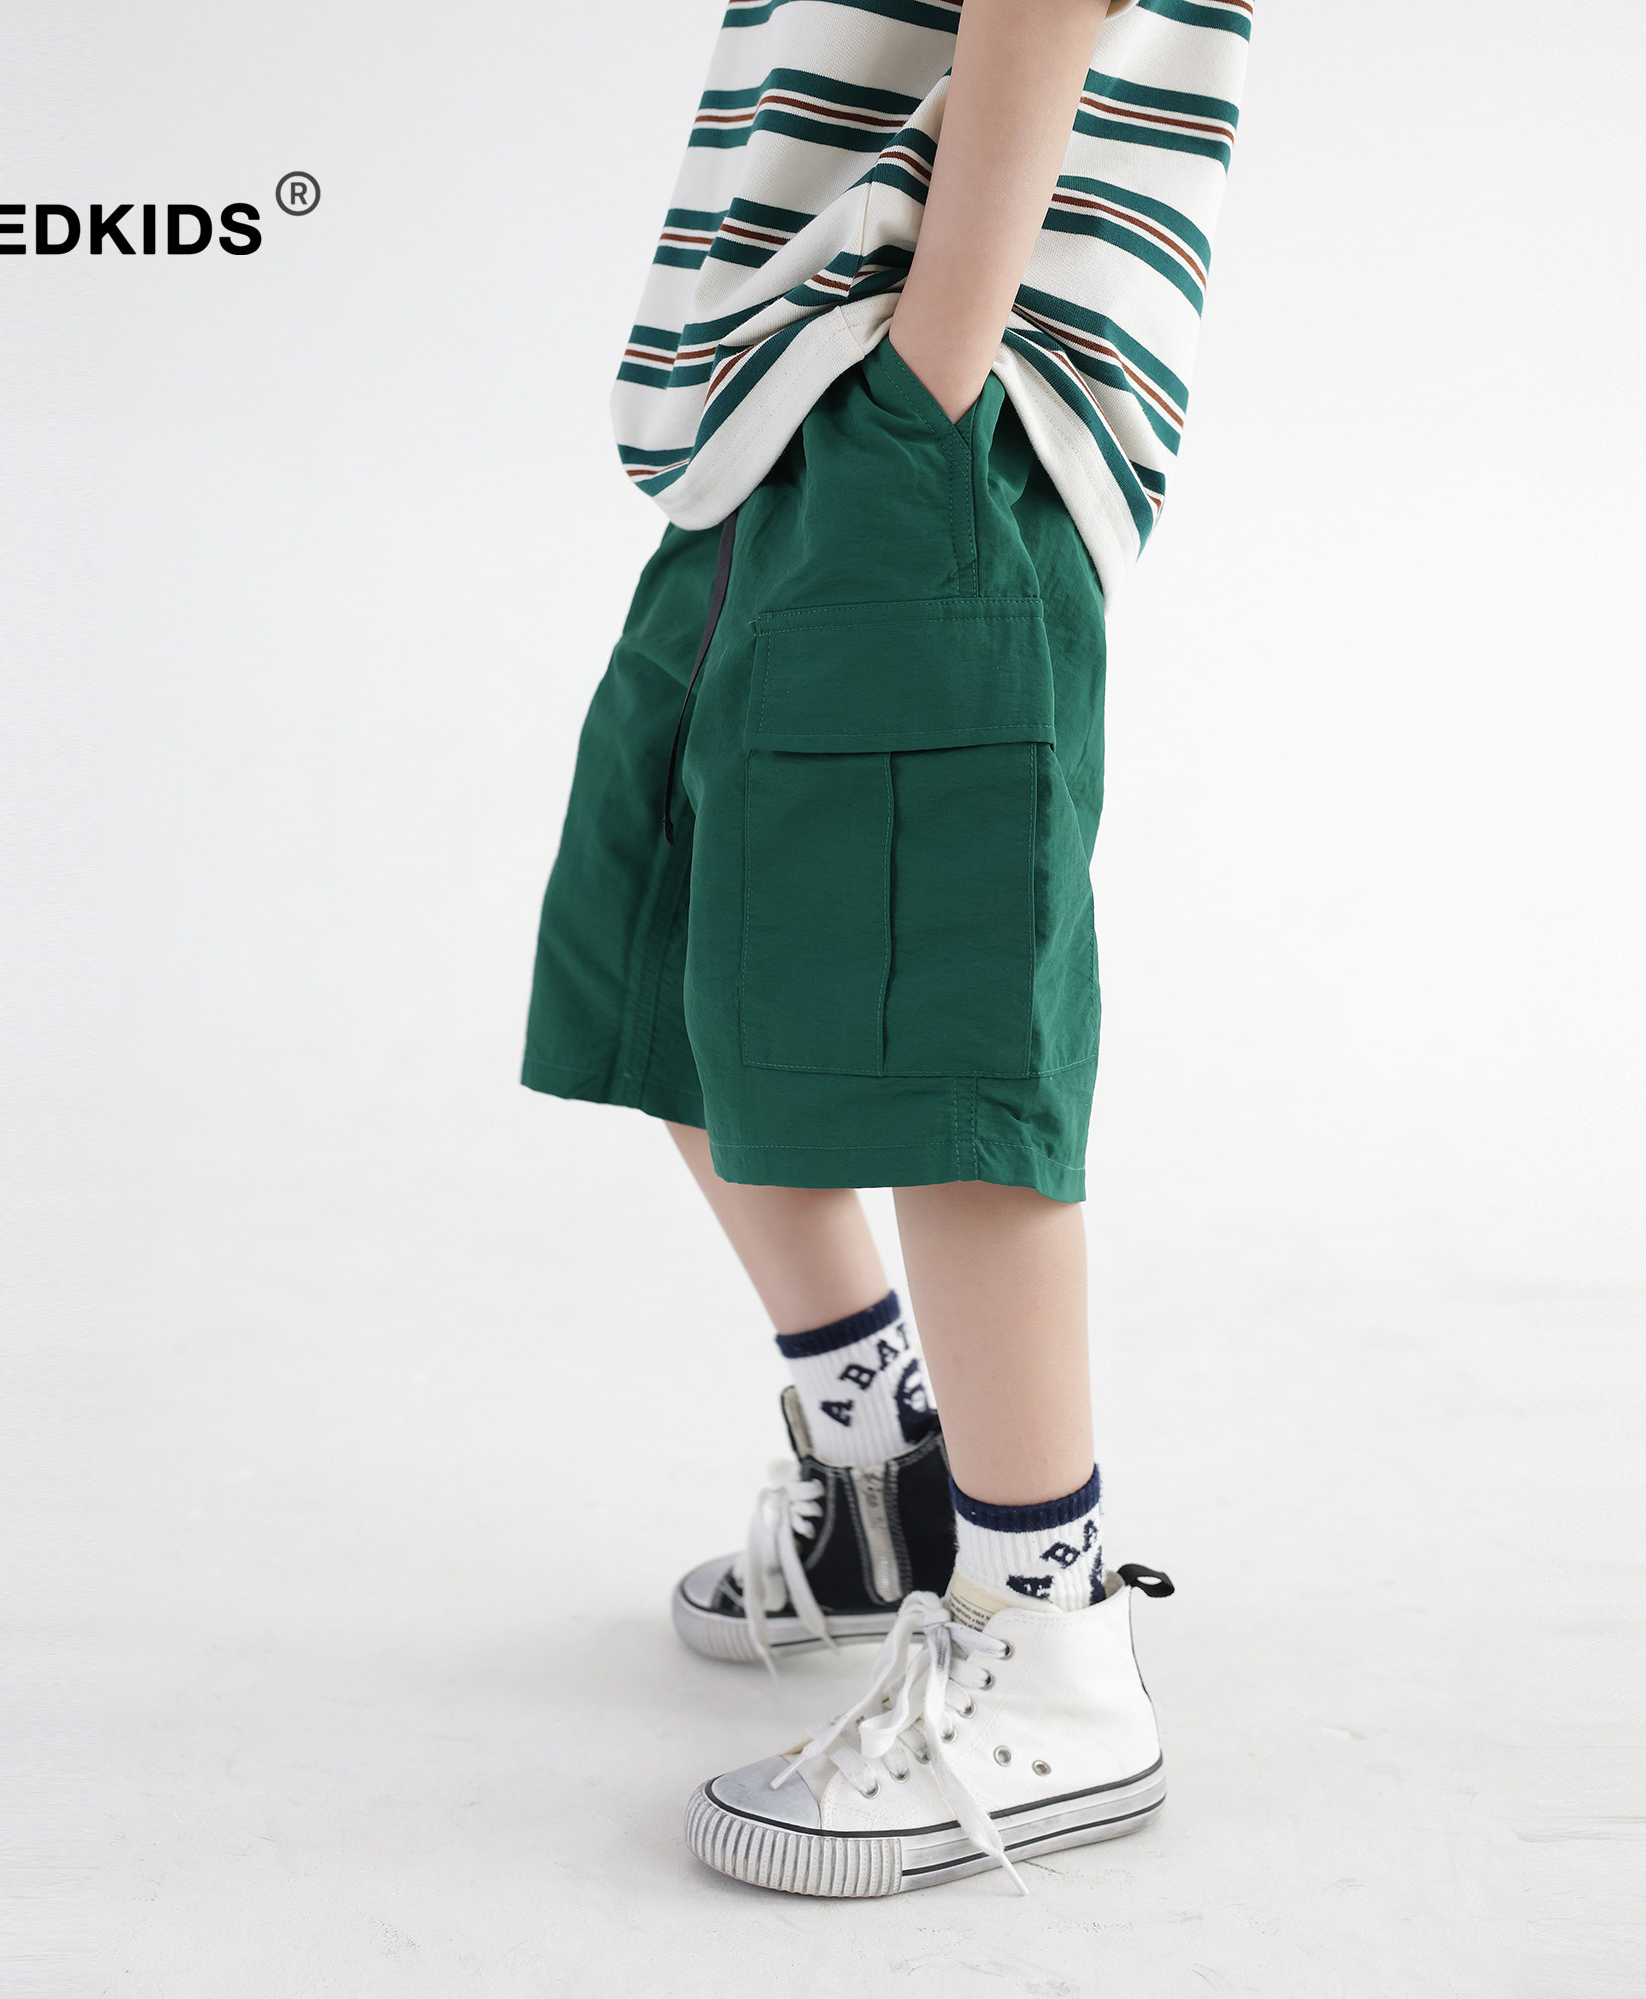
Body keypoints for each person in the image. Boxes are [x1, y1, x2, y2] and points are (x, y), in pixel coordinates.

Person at [522, 0, 1251, 1897]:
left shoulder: (927, 386)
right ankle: (885, 1490)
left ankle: (1049, 1640)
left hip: (930, 398)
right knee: (661, 966)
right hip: (782, 418)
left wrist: (933, 373)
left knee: (938, 1032)